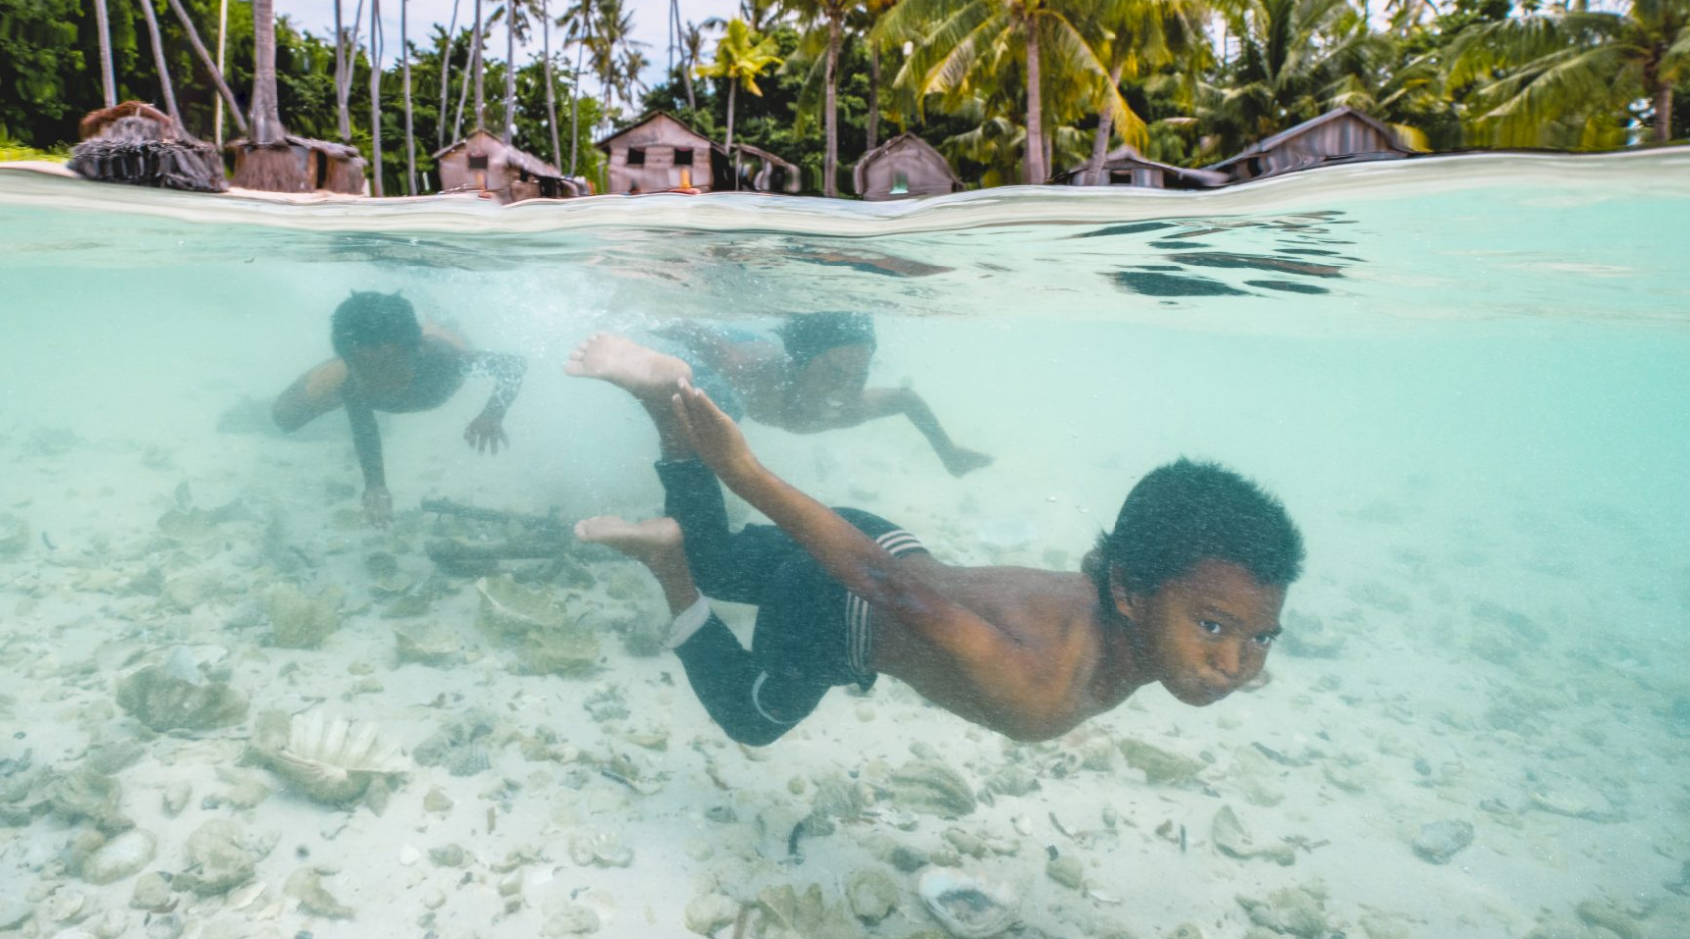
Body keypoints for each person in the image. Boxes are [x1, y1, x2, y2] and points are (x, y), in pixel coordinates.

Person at [563, 333, 1303, 746]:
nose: (1233, 664)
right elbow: (893, 591)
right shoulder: (1044, 690)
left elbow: (908, 578)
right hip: (845, 601)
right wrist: (744, 471)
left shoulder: (1121, 589)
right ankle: (670, 569)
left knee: (721, 557)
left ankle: (662, 399)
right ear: (1129, 593)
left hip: (884, 539)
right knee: (752, 718)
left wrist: (1237, 644)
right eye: (1212, 628)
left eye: (1261, 638)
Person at [272, 291, 525, 527]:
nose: (383, 382)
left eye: (392, 368)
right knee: (284, 417)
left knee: (439, 327)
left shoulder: (444, 361)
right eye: (369, 370)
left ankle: (425, 296)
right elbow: (364, 426)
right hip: (370, 358)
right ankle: (346, 368)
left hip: (442, 340)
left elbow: (513, 365)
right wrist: (375, 486)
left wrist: (492, 414)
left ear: (415, 353)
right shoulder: (356, 382)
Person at [655, 312, 992, 477]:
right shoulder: (751, 370)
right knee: (697, 398)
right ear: (799, 366)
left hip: (758, 370)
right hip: (735, 345)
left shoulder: (852, 407)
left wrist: (949, 452)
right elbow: (687, 328)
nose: (847, 388)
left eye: (860, 375)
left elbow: (907, 399)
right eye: (834, 373)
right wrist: (647, 323)